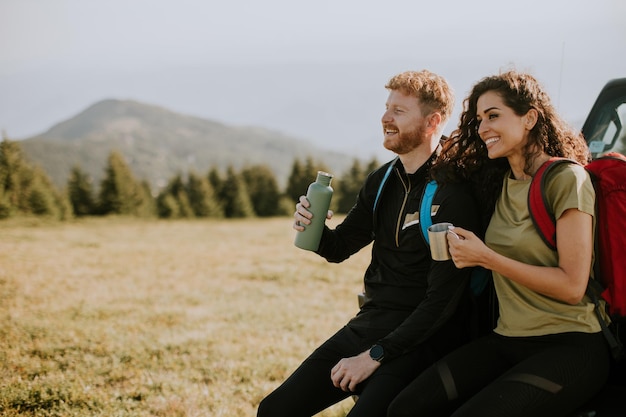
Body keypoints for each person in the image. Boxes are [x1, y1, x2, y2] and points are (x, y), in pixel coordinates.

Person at [256, 70, 482, 417]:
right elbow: (340, 247)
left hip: (425, 337)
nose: (385, 118)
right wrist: (314, 229)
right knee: (275, 410)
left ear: (432, 121)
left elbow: (440, 303)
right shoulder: (382, 180)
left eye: (399, 111)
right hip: (372, 321)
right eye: (387, 107)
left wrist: (375, 355)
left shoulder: (453, 191)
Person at [387, 70, 612, 417]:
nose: (483, 128)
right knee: (405, 407)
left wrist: (488, 258)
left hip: (570, 344)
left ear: (530, 118)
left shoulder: (567, 179)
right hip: (508, 339)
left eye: (494, 116)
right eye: (478, 119)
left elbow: (571, 285)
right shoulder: (501, 182)